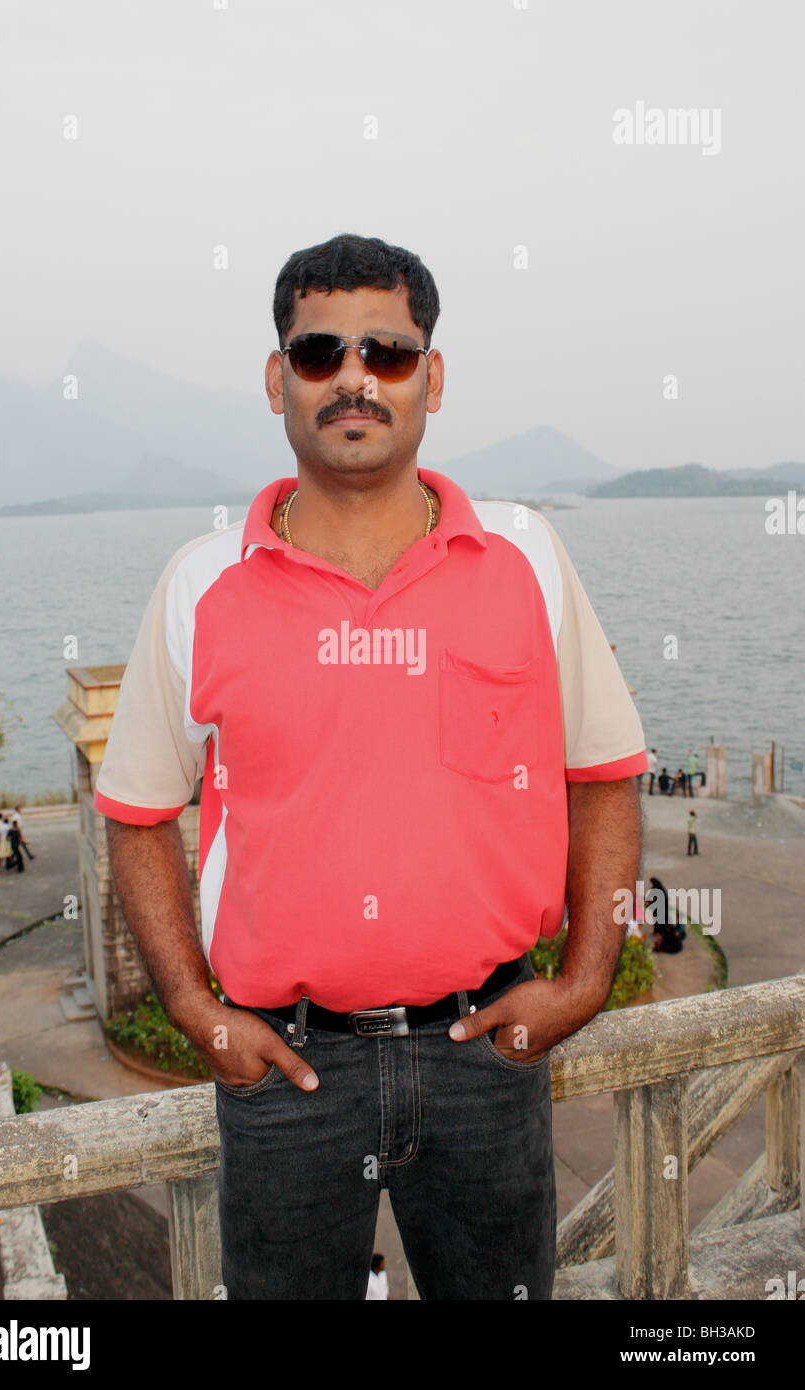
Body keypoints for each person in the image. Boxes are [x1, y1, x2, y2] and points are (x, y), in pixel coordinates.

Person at [95, 232, 647, 1301]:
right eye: (319, 352)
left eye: (387, 352)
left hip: (485, 1052)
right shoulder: (201, 583)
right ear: (277, 380)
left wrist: (582, 979)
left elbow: (604, 772)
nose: (354, 376)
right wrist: (195, 1011)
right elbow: (134, 812)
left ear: (429, 377)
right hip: (287, 1076)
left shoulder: (526, 558)